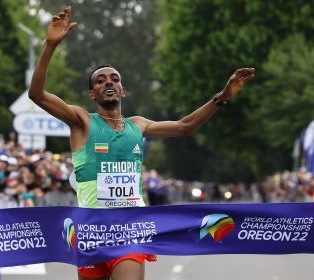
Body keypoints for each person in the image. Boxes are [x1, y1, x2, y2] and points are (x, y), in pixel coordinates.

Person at [29, 6, 255, 280]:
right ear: (92, 93)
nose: (108, 83)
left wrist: (221, 97)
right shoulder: (82, 122)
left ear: (123, 90)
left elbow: (185, 127)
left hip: (129, 229)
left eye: (114, 79)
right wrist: (50, 45)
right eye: (100, 81)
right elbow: (37, 94)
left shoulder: (138, 126)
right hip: (91, 231)